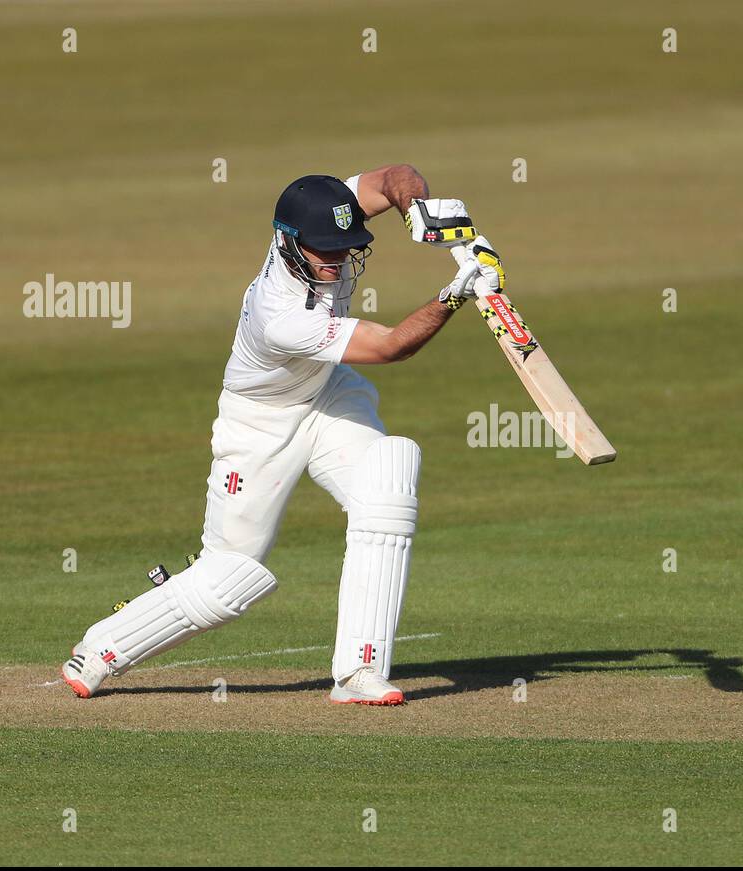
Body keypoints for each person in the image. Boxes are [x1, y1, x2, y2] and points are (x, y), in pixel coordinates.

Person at [59, 165, 502, 705]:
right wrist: (457, 292)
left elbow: (395, 175)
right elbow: (391, 347)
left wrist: (418, 213)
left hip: (328, 394)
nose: (338, 261)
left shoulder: (325, 210)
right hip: (259, 425)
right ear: (289, 244)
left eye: (347, 248)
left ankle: (361, 673)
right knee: (228, 579)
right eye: (326, 252)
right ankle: (102, 646)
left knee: (389, 478)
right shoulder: (281, 313)